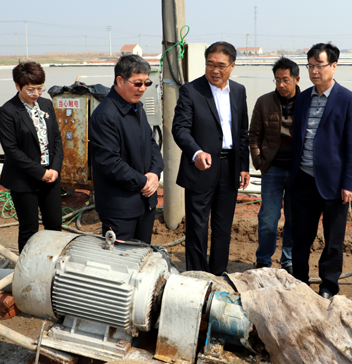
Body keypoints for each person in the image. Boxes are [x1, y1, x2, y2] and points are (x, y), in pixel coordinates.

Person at [290, 42, 352, 299]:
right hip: (303, 179)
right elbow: (298, 139)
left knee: (333, 239)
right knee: (300, 236)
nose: (314, 71)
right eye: (310, 66)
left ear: (333, 66)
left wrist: (350, 183)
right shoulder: (302, 99)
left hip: (334, 183)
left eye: (319, 65)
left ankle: (328, 286)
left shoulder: (349, 101)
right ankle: (299, 282)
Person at [173, 41, 250, 275]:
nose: (215, 70)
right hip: (201, 166)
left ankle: (217, 274)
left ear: (232, 66)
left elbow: (242, 132)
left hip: (230, 167)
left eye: (221, 65)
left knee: (223, 225)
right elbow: (180, 129)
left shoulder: (239, 91)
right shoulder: (191, 90)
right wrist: (196, 152)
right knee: (197, 225)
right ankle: (197, 275)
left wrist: (243, 166)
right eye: (210, 64)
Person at [88, 55, 163, 243]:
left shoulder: (137, 107)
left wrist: (155, 173)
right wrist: (143, 182)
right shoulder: (105, 115)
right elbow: (109, 162)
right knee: (120, 257)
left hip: (145, 202)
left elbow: (151, 143)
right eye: (137, 83)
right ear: (120, 80)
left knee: (142, 253)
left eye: (146, 83)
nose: (143, 89)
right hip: (120, 208)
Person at [0, 61, 63, 253]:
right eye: (30, 89)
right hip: (24, 179)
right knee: (29, 228)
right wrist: (40, 172)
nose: (36, 93)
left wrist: (55, 169)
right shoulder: (8, 111)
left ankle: (51, 264)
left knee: (54, 225)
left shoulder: (46, 104)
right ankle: (27, 266)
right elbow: (12, 150)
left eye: (40, 88)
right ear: (17, 86)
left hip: (51, 176)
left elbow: (56, 138)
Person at [248, 57, 300, 273]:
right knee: (268, 218)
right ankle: (263, 260)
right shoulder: (264, 102)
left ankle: (288, 261)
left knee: (294, 218)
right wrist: (259, 161)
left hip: (298, 171)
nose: (281, 84)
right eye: (277, 80)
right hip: (272, 169)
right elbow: (254, 135)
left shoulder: (306, 101)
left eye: (286, 80)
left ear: (296, 79)